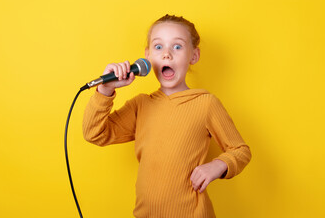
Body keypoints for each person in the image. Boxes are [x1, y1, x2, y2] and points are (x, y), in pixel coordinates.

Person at [83, 14, 251, 218]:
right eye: (158, 47)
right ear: (147, 56)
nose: (167, 55)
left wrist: (218, 165)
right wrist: (105, 89)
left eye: (177, 47)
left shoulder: (206, 103)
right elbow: (94, 133)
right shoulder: (141, 105)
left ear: (194, 56)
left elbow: (240, 150)